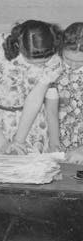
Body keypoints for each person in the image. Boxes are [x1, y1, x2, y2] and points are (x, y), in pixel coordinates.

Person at [0, 20, 63, 154]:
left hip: (31, 124)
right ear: (18, 45)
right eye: (32, 61)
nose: (40, 66)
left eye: (44, 62)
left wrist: (19, 141)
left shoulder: (54, 60)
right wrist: (3, 144)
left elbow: (34, 101)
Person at [53, 22, 83, 162]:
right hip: (55, 136)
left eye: (80, 62)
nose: (73, 65)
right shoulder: (52, 66)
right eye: (68, 59)